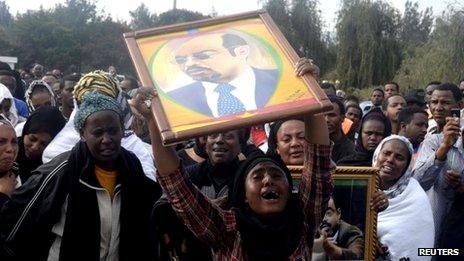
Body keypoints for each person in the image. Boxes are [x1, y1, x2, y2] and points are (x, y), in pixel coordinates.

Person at [136, 83, 333, 259]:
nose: (268, 180)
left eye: (276, 175)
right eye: (257, 176)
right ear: (244, 194)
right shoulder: (227, 229)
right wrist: (153, 120)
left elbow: (318, 165)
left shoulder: (304, 218)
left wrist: (309, 87)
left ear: (289, 189)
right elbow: (176, 184)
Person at [0, 92, 161, 261]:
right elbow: (16, 222)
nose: (106, 139)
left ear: (122, 130)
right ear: (83, 134)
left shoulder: (132, 167)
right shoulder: (61, 171)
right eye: (97, 133)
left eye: (113, 130)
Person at [41, 70, 157, 181]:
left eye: (105, 101)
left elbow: (147, 186)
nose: (106, 140)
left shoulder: (133, 144)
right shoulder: (56, 153)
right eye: (97, 132)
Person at [153, 129, 244, 260]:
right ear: (205, 145)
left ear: (240, 146)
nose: (219, 140)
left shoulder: (248, 178)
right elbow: (162, 206)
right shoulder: (190, 174)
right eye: (213, 135)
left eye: (228, 136)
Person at [167, 32, 281, 117]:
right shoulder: (174, 99)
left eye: (203, 55)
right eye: (181, 60)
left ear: (242, 52)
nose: (189, 64)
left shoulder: (282, 79)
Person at [412, 87, 464, 244]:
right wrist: (444, 147)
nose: (438, 108)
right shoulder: (431, 140)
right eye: (434, 102)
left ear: (460, 105)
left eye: (446, 103)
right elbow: (418, 182)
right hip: (436, 220)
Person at [374, 135, 434, 260]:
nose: (390, 160)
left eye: (399, 157)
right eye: (386, 153)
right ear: (377, 155)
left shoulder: (416, 196)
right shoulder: (362, 184)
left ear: (407, 166)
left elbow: (418, 247)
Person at [15, 106, 66, 183]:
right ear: (25, 131)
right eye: (32, 139)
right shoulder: (9, 151)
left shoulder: (56, 166)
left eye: (44, 144)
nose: (35, 147)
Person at [326, 95, 355, 162]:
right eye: (323, 115)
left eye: (332, 115)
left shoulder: (351, 150)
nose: (326, 119)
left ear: (342, 118)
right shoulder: (312, 147)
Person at [0, 116, 19, 209]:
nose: (10, 149)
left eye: (14, 142)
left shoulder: (14, 172)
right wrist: (3, 195)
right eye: (1, 142)